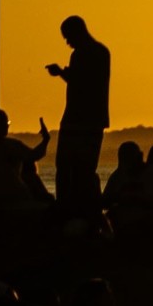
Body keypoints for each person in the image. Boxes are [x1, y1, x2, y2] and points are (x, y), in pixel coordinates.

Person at [45, 16, 111, 224]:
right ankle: (86, 212)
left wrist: (61, 73)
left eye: (68, 37)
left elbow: (81, 82)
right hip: (94, 120)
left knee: (66, 168)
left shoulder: (82, 54)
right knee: (84, 170)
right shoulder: (101, 52)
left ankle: (68, 210)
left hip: (77, 120)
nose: (67, 42)